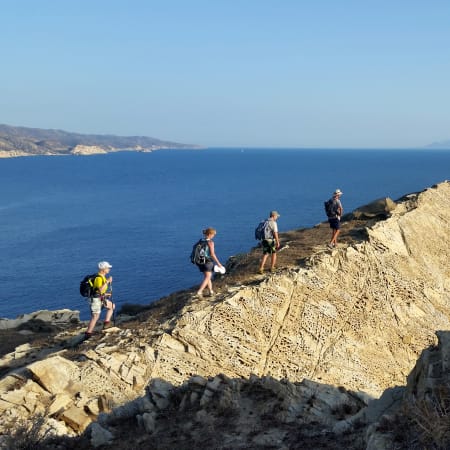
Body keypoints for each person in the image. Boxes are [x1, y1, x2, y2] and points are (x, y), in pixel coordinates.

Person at [85, 261, 115, 338]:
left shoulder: (102, 277)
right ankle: (88, 334)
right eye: (108, 268)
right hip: (96, 300)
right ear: (103, 269)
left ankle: (106, 324)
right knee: (95, 316)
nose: (109, 269)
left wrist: (107, 294)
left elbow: (99, 291)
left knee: (112, 306)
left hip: (101, 298)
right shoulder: (98, 278)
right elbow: (99, 290)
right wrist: (108, 281)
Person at [196, 228, 224, 297]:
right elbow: (212, 254)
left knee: (207, 276)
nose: (214, 236)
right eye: (213, 234)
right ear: (209, 234)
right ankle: (199, 292)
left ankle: (211, 291)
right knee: (208, 276)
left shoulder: (200, 241)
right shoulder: (210, 242)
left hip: (200, 262)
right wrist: (218, 263)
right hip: (208, 262)